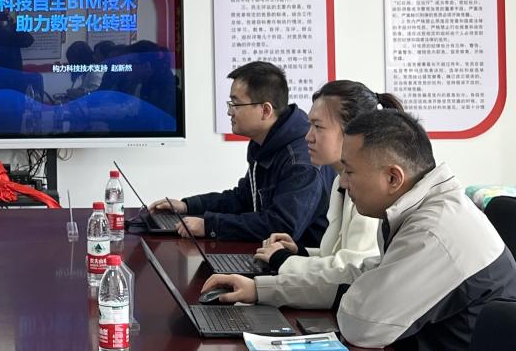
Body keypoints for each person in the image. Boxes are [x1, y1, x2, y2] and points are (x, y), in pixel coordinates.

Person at [201, 110, 516, 349]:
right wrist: (262, 289)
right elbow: (363, 274)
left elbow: (362, 325)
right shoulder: (417, 208)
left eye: (349, 172)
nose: (342, 182)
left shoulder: (434, 232)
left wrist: (360, 289)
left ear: (393, 178)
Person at [150, 61, 333, 246]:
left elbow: (281, 226)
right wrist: (187, 206)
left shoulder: (301, 161)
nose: (230, 112)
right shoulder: (264, 143)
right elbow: (243, 198)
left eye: (236, 104)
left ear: (265, 110)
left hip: (299, 259)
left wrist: (210, 225)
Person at [252, 81, 397, 289]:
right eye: (310, 125)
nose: (308, 137)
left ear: (352, 131)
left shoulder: (369, 189)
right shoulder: (340, 179)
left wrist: (283, 260)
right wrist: (299, 253)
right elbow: (334, 254)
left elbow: (351, 267)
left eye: (318, 127)